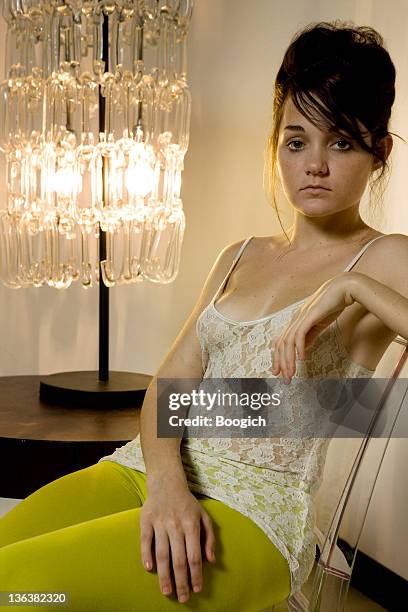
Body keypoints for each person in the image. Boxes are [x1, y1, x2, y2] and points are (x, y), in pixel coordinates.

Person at [1, 19, 408, 612]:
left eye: (341, 141)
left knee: (20, 588)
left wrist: (353, 287)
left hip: (253, 510)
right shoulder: (240, 254)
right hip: (148, 472)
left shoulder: (386, 257)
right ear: (277, 148)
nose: (315, 164)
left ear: (380, 152)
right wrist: (166, 487)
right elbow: (170, 391)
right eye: (297, 141)